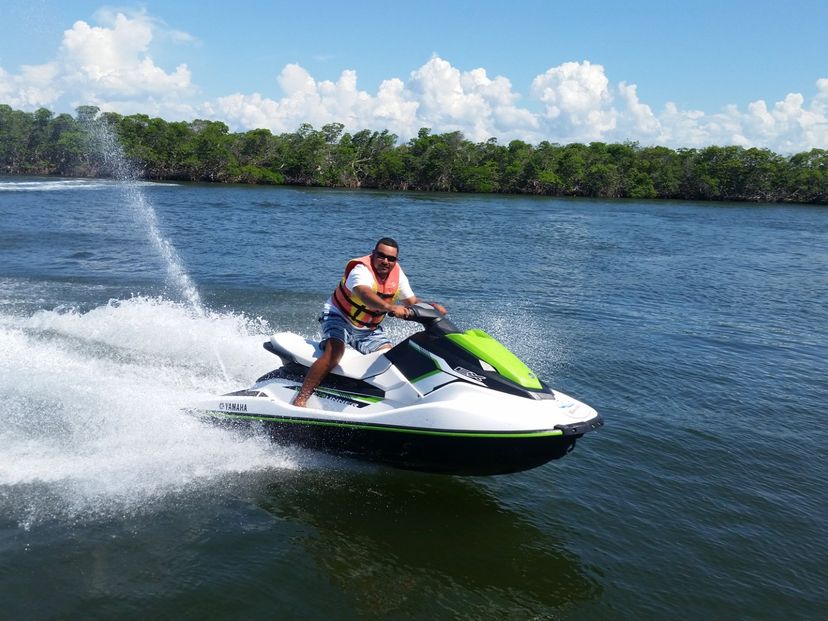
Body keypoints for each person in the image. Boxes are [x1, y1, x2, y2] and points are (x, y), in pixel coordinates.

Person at [292, 237, 445, 408]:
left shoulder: (398, 276)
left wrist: (430, 307)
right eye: (381, 256)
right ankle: (301, 399)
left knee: (391, 359)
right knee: (335, 352)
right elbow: (364, 294)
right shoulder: (361, 270)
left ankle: (376, 402)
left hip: (368, 329)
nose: (385, 261)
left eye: (391, 259)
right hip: (339, 317)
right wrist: (389, 307)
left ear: (396, 260)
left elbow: (411, 301)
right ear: (373, 254)